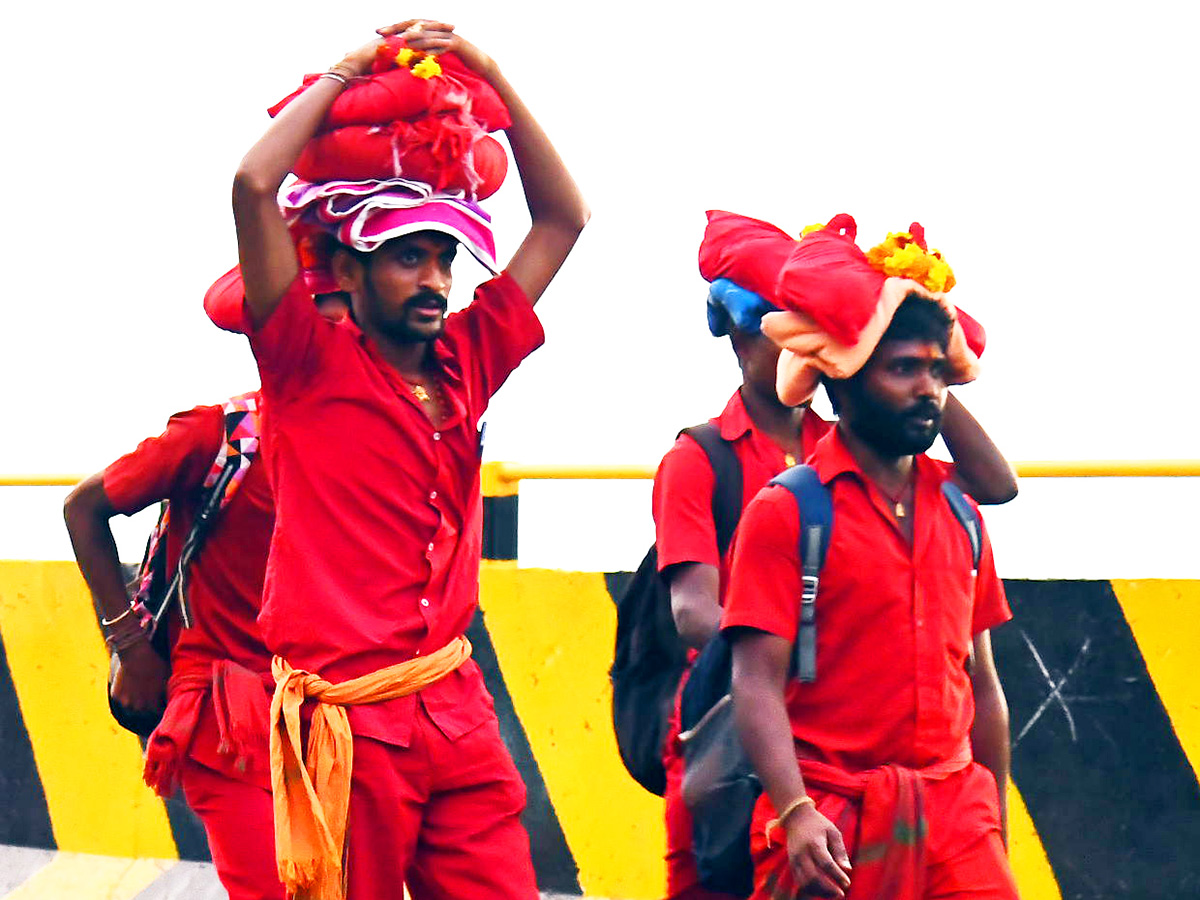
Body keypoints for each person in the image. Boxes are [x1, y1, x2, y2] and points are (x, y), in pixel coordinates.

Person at [230, 17, 587, 900]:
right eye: (406, 260)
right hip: (352, 724)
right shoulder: (304, 363)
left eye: (443, 259)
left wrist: (492, 77)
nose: (435, 280)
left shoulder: (469, 358)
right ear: (347, 273)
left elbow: (565, 218)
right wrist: (344, 73)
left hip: (456, 708)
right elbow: (251, 181)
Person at [652, 263, 1016, 900]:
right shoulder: (775, 500)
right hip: (822, 805)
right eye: (904, 369)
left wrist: (992, 829)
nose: (927, 388)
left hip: (956, 816)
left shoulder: (957, 510)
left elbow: (980, 682)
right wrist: (795, 809)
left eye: (937, 371)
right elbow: (736, 658)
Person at [63, 295, 348, 900]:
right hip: (229, 713)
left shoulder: (375, 443)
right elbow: (83, 507)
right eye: (321, 314)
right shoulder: (220, 435)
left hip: (335, 712)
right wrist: (130, 646)